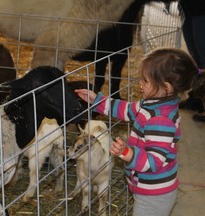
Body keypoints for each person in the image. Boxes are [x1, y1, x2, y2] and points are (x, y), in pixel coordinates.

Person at [75, 48, 205, 216]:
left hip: (154, 194)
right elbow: (126, 109)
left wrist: (127, 153)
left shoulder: (161, 120)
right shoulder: (152, 103)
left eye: (145, 80)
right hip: (146, 187)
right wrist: (97, 101)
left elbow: (153, 162)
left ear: (165, 87)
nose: (140, 84)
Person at [178, 0, 205, 122]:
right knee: (196, 60)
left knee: (203, 59)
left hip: (201, 10)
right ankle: (197, 98)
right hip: (188, 9)